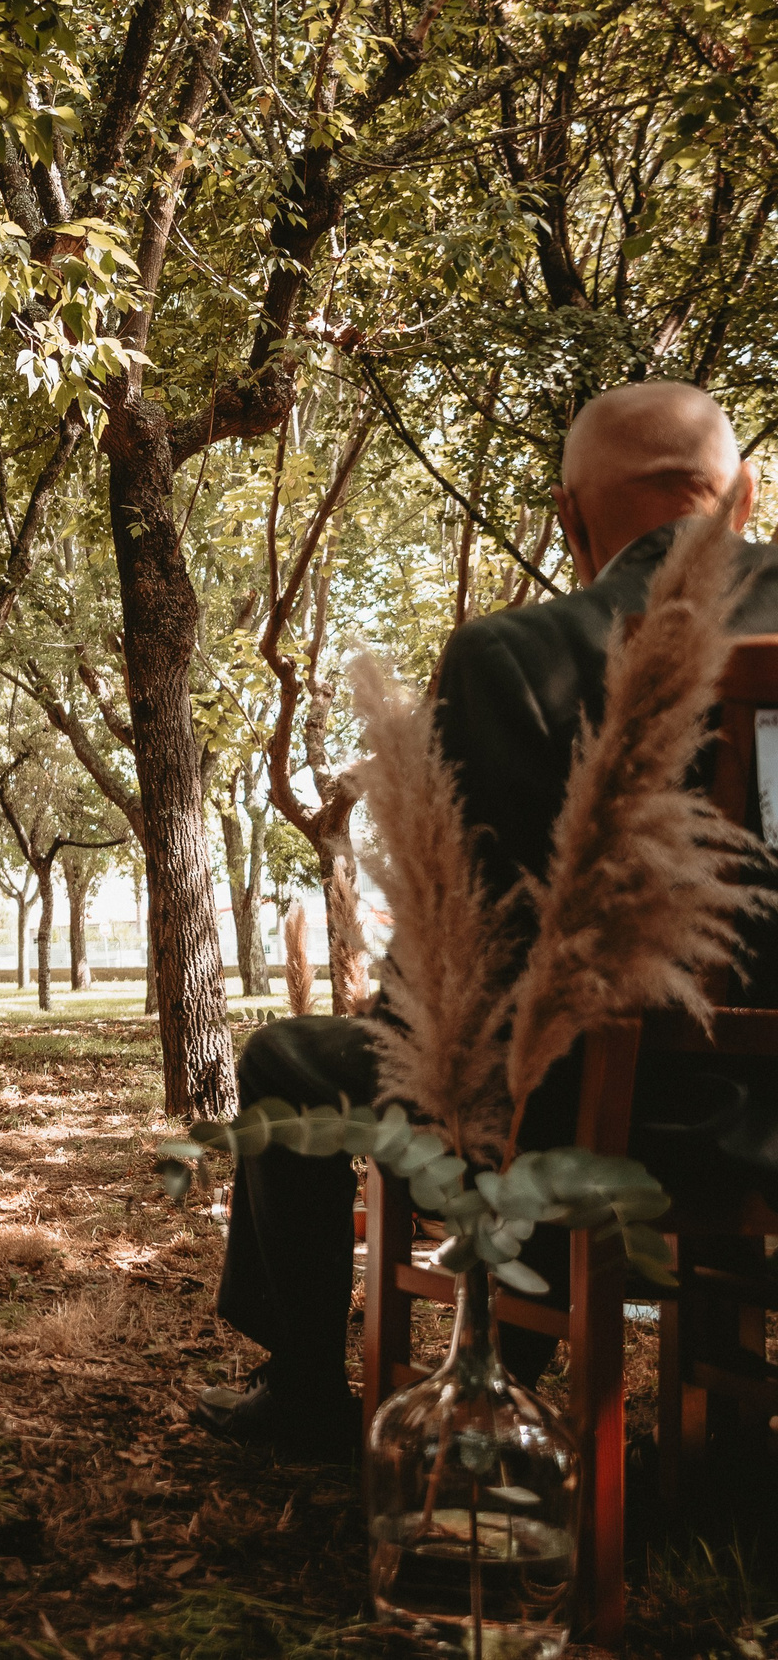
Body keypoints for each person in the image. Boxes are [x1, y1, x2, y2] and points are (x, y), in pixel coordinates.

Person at [206, 381, 778, 1459]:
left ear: (570, 518)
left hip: (612, 1120)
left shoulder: (517, 657)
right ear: (744, 495)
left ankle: (308, 1390)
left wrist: (401, 1019)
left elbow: (476, 958)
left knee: (288, 1057)